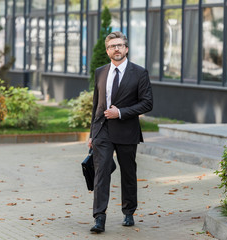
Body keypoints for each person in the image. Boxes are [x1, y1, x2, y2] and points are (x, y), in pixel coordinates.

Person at [87, 31, 153, 233]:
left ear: (126, 49)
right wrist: (92, 133)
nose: (116, 49)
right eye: (112, 46)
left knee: (128, 173)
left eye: (120, 45)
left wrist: (121, 112)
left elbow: (147, 103)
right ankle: (99, 217)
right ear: (107, 51)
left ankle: (129, 212)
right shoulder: (100, 72)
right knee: (101, 173)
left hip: (127, 130)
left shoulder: (139, 73)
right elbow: (96, 105)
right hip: (102, 130)